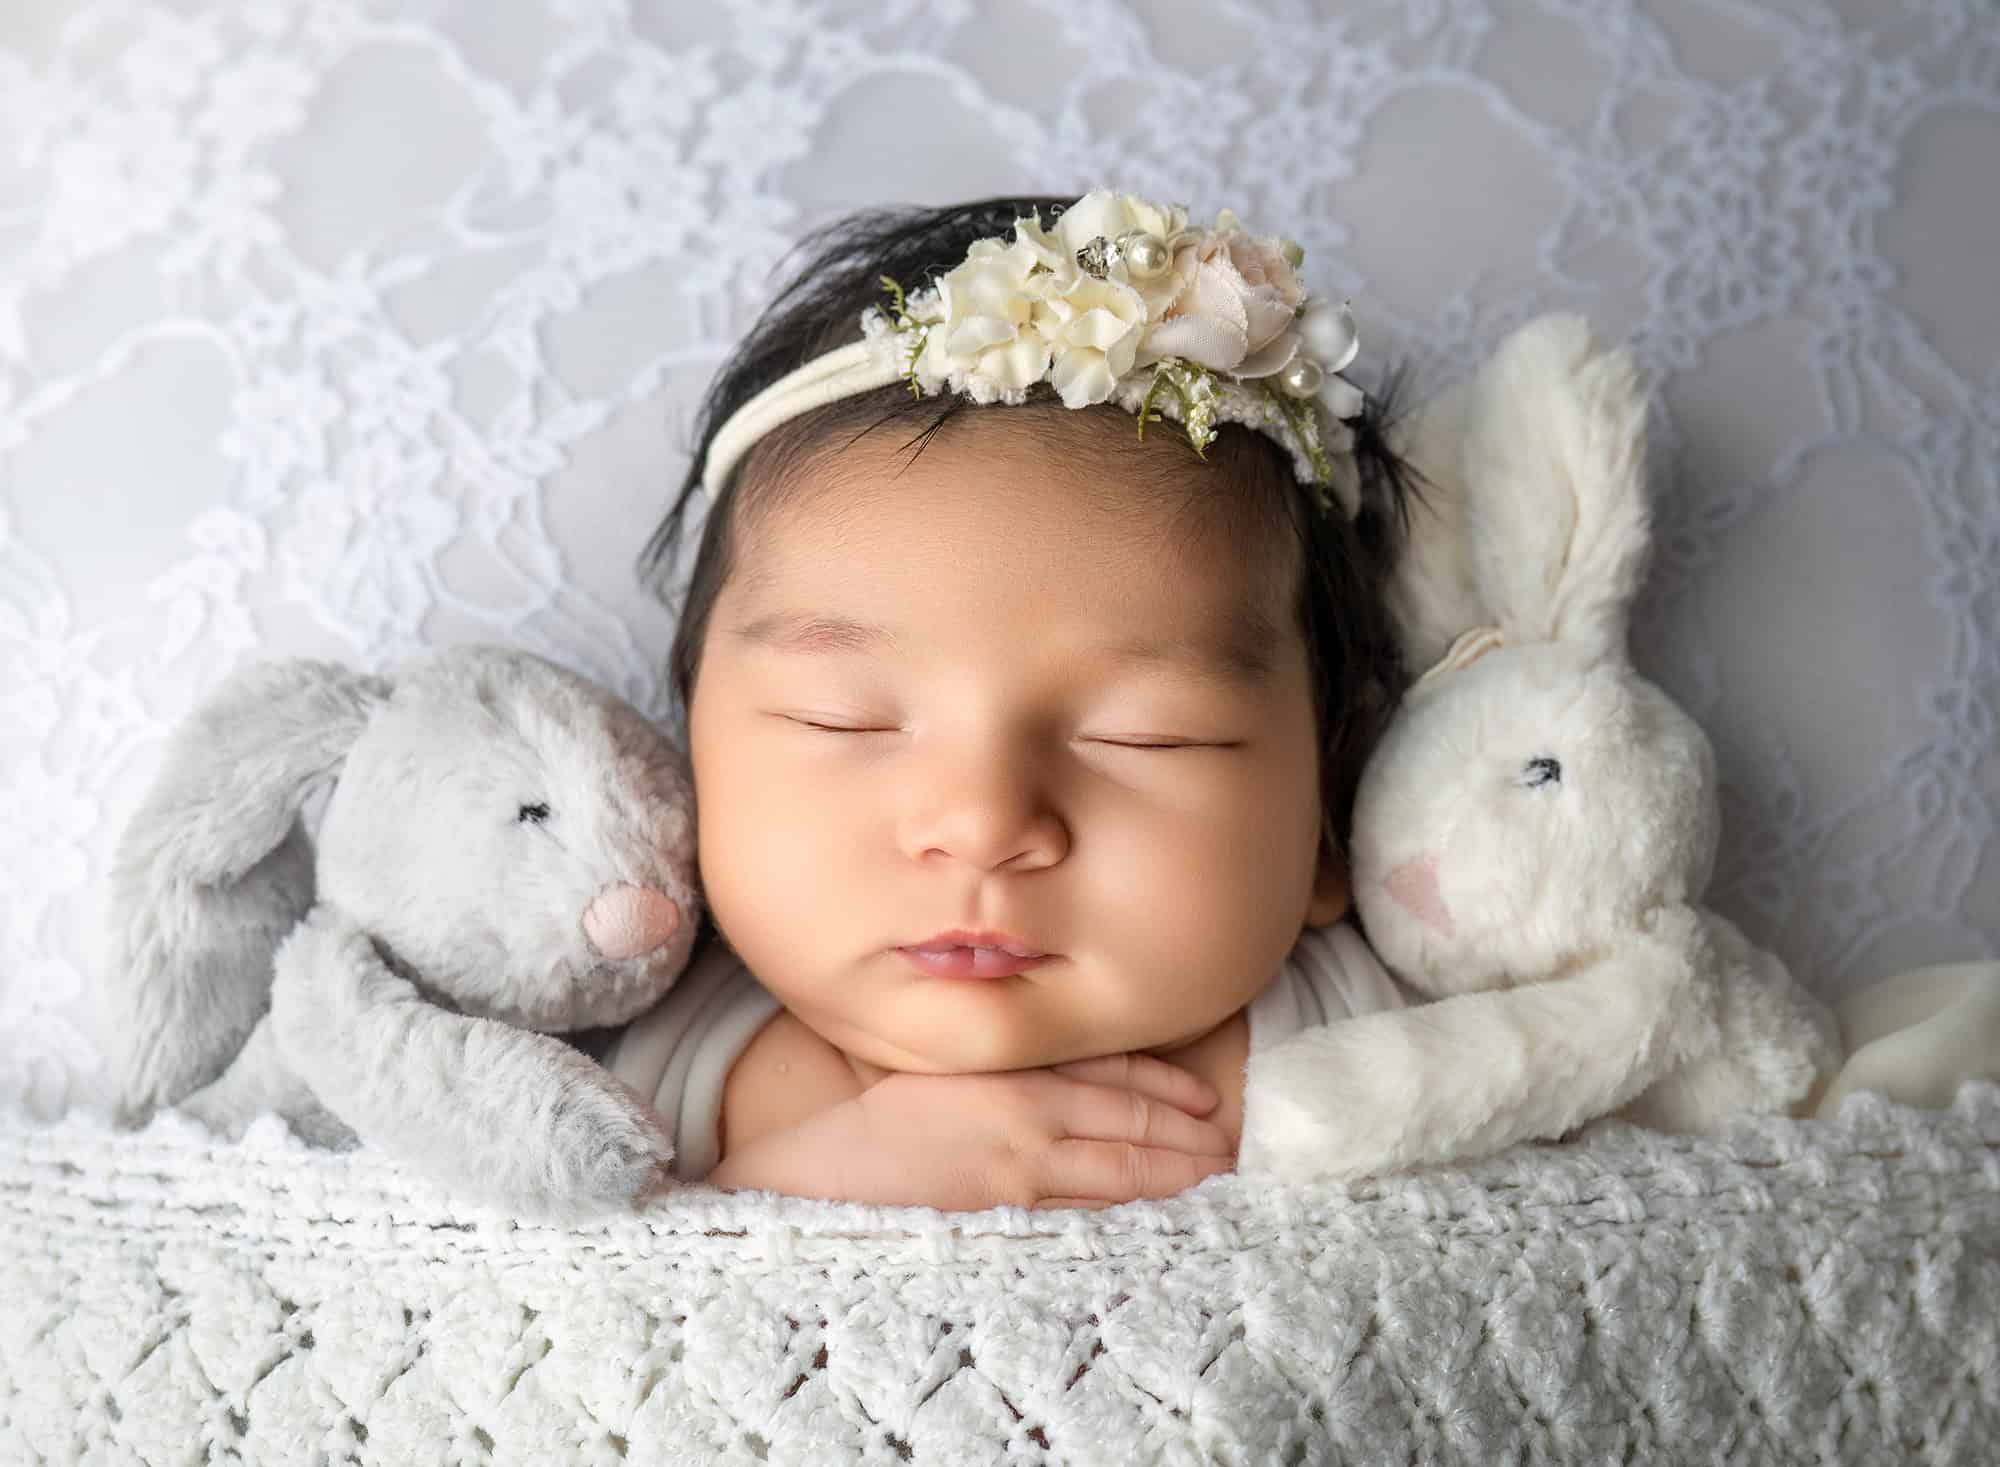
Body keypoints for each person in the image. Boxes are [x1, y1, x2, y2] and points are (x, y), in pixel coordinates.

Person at [602, 190, 1419, 1210]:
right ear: (688, 770)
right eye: (841, 717)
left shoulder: (1397, 1054)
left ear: (1330, 811)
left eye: (1148, 735)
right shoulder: (640, 1099)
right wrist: (772, 1202)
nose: (982, 824)